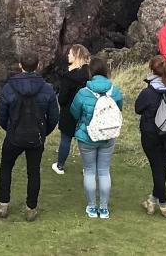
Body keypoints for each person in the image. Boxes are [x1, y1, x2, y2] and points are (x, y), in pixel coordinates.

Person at [0, 54, 59, 221]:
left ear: (20, 65)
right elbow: (54, 116)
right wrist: (44, 131)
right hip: (36, 136)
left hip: (14, 135)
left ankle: (3, 204)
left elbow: (1, 114)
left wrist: (9, 128)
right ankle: (31, 208)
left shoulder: (9, 87)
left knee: (6, 167)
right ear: (37, 66)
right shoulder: (47, 88)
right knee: (34, 171)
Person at [70, 56, 123, 219]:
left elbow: (74, 112)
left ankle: (92, 207)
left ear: (90, 72)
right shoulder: (115, 91)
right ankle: (104, 208)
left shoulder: (83, 93)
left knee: (90, 171)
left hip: (87, 137)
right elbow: (118, 110)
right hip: (108, 136)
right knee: (104, 171)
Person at [135, 55, 166, 218]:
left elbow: (138, 108)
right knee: (160, 166)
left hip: (151, 134)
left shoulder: (148, 92)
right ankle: (152, 200)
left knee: (157, 167)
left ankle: (164, 204)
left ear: (152, 71)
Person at [51, 44, 91, 175]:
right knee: (84, 141)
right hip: (85, 111)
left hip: (69, 112)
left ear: (76, 56)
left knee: (66, 139)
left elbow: (62, 99)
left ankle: (60, 166)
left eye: (70, 54)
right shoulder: (89, 74)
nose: (68, 55)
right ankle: (87, 168)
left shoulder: (69, 77)